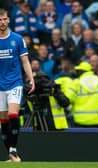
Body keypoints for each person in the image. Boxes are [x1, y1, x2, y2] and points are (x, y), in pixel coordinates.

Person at [0, 8, 35, 162]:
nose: (2, 22)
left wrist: (31, 78)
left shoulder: (17, 38)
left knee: (13, 114)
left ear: (8, 20)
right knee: (3, 121)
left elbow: (25, 61)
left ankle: (13, 150)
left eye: (4, 19)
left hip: (15, 83)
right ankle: (11, 154)